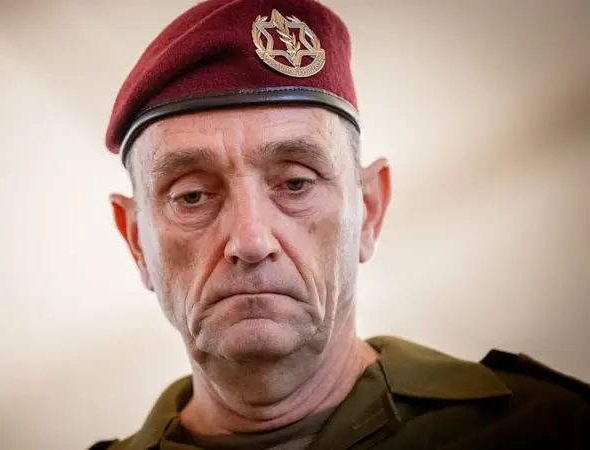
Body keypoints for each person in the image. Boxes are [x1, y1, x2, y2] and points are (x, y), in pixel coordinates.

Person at [90, 1, 589, 448]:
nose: (251, 241)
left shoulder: (551, 429)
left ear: (369, 210)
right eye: (192, 196)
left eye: (296, 184)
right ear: (137, 242)